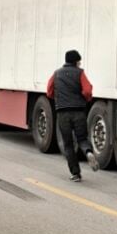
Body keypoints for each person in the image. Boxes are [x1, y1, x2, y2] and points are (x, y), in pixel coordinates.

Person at [46, 50, 99, 181]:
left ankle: (75, 173)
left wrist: (58, 99)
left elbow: (49, 91)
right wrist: (86, 99)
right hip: (78, 111)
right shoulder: (80, 73)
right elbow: (87, 90)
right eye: (79, 61)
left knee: (68, 144)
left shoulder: (56, 74)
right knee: (82, 139)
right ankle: (88, 152)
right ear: (76, 61)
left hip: (63, 112)